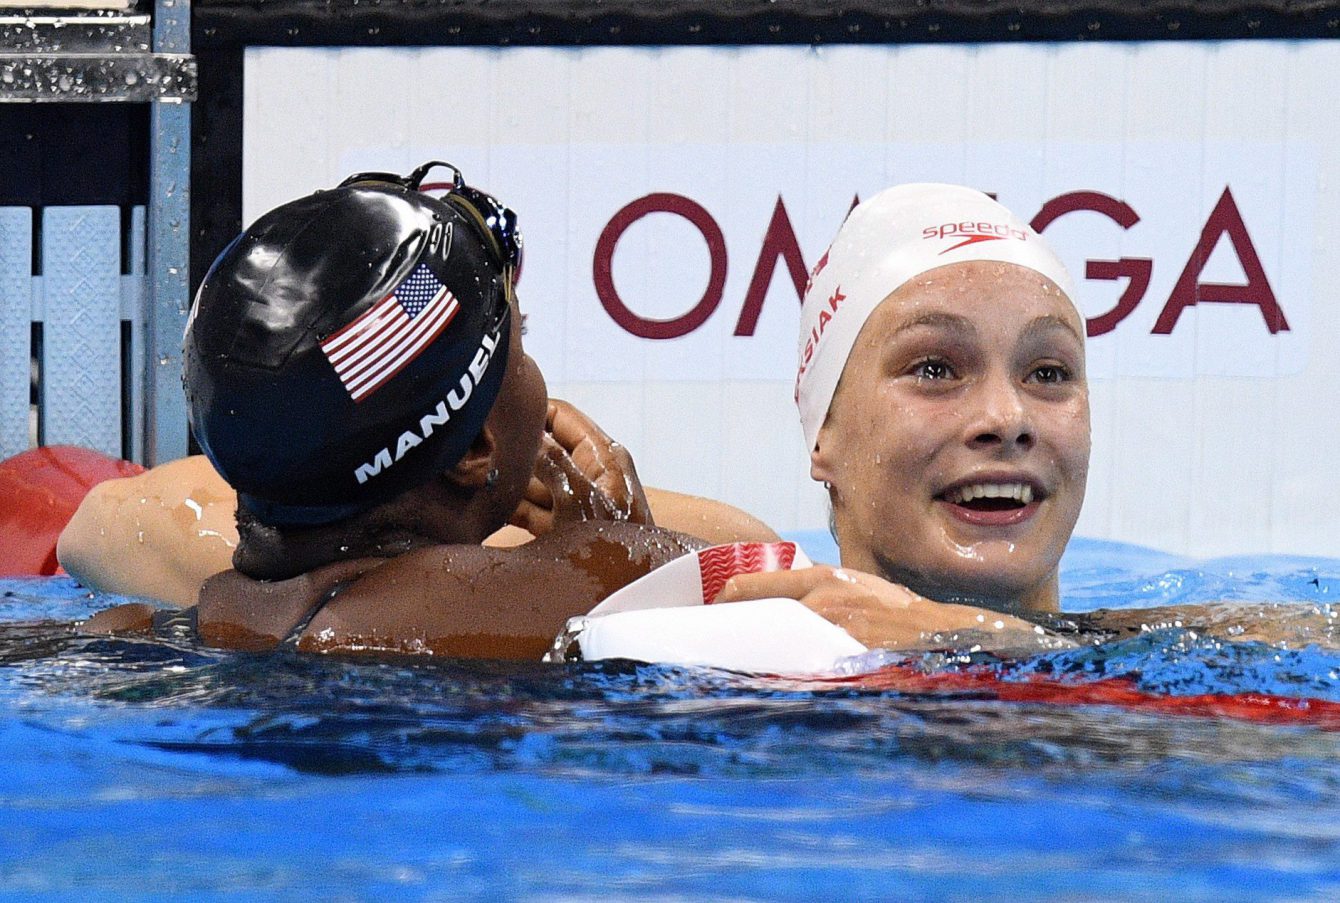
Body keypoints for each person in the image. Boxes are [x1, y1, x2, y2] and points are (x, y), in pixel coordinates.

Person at [82, 162, 763, 659]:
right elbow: (794, 597)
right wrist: (617, 546)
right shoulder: (561, 585)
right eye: (518, 348)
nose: (536, 379)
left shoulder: (144, 630)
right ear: (472, 452)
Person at [714, 183, 1336, 651]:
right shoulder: (742, 648)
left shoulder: (1200, 647)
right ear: (824, 432)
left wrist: (968, 637)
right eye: (934, 368)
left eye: (1048, 373)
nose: (1006, 417)